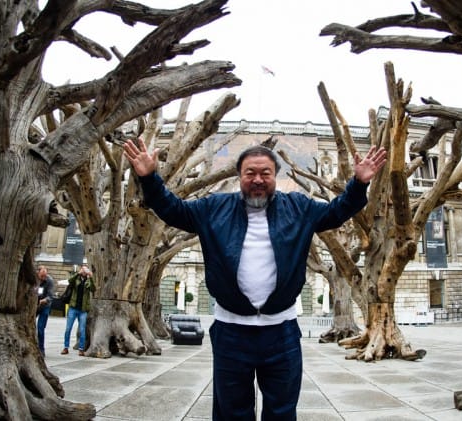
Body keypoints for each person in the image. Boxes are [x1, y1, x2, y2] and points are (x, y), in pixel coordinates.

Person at [123, 139, 386, 420]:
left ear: (275, 176)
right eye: (250, 173)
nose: (258, 180)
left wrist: (358, 183)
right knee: (231, 412)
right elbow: (172, 209)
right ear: (239, 177)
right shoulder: (213, 208)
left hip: (281, 333)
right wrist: (149, 178)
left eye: (265, 173)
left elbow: (337, 211)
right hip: (230, 333)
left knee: (282, 412)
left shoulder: (299, 208)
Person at [61, 263, 95, 357]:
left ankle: (81, 349)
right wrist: (77, 273)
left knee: (82, 330)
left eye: (86, 270)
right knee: (68, 328)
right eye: (83, 270)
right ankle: (65, 347)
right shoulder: (76, 278)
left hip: (83, 310)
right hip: (73, 307)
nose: (84, 272)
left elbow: (93, 289)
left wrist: (91, 277)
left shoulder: (88, 281)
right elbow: (70, 281)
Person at [35, 265, 55, 357]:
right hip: (34, 305)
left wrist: (43, 301)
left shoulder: (49, 281)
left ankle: (41, 349)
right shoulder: (34, 279)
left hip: (45, 306)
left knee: (40, 328)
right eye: (42, 276)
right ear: (38, 273)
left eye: (45, 275)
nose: (43, 278)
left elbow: (51, 296)